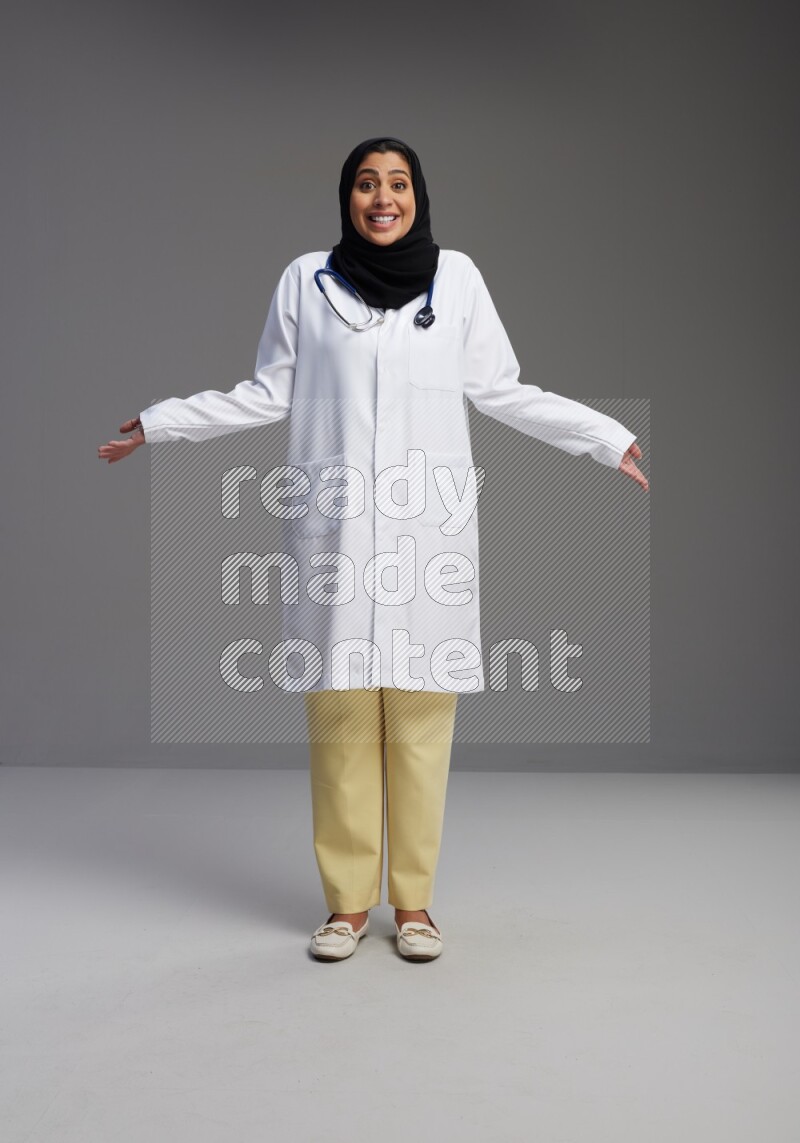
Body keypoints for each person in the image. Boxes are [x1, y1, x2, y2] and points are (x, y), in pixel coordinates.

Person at [98, 135, 649, 963]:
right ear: (347, 197)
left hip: (428, 539)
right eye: (365, 183)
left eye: (396, 183)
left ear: (418, 195)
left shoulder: (457, 279)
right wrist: (162, 421)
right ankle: (348, 906)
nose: (381, 197)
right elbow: (266, 391)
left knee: (423, 726)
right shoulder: (304, 281)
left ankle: (415, 905)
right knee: (343, 722)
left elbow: (501, 389)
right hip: (337, 543)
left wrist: (603, 437)